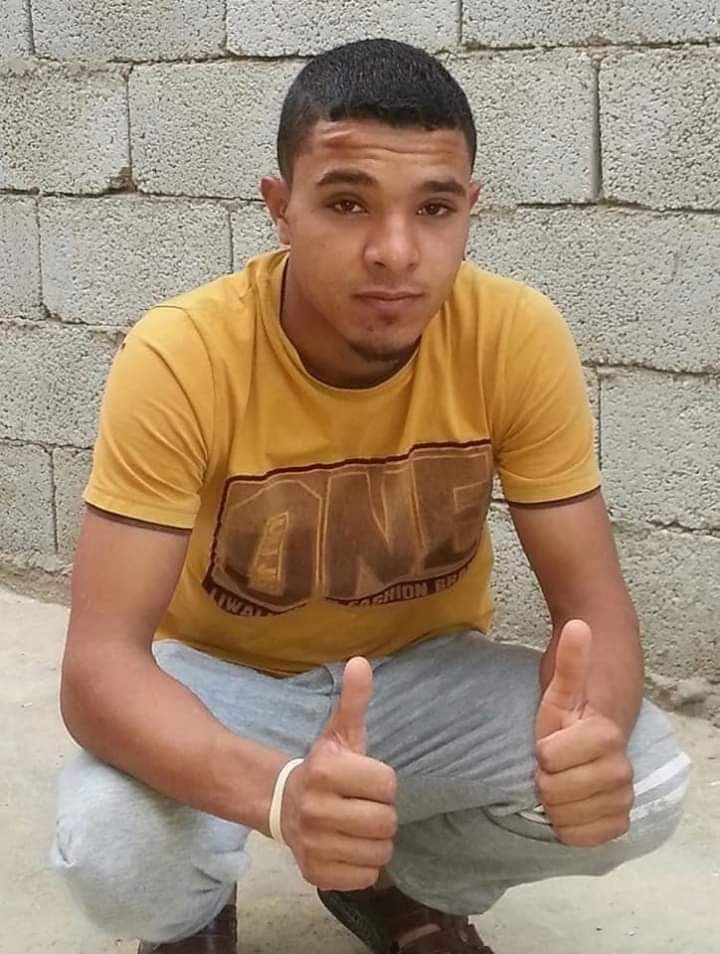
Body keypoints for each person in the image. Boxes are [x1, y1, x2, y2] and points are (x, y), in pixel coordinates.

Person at [51, 38, 690, 954]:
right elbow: (98, 668)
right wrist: (279, 796)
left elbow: (595, 607)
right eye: (347, 203)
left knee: (643, 780)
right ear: (281, 208)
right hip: (229, 683)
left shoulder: (515, 336)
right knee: (115, 851)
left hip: (418, 676)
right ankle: (194, 906)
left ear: (469, 210)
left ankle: (395, 881)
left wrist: (591, 729)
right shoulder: (182, 355)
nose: (395, 252)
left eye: (434, 208)